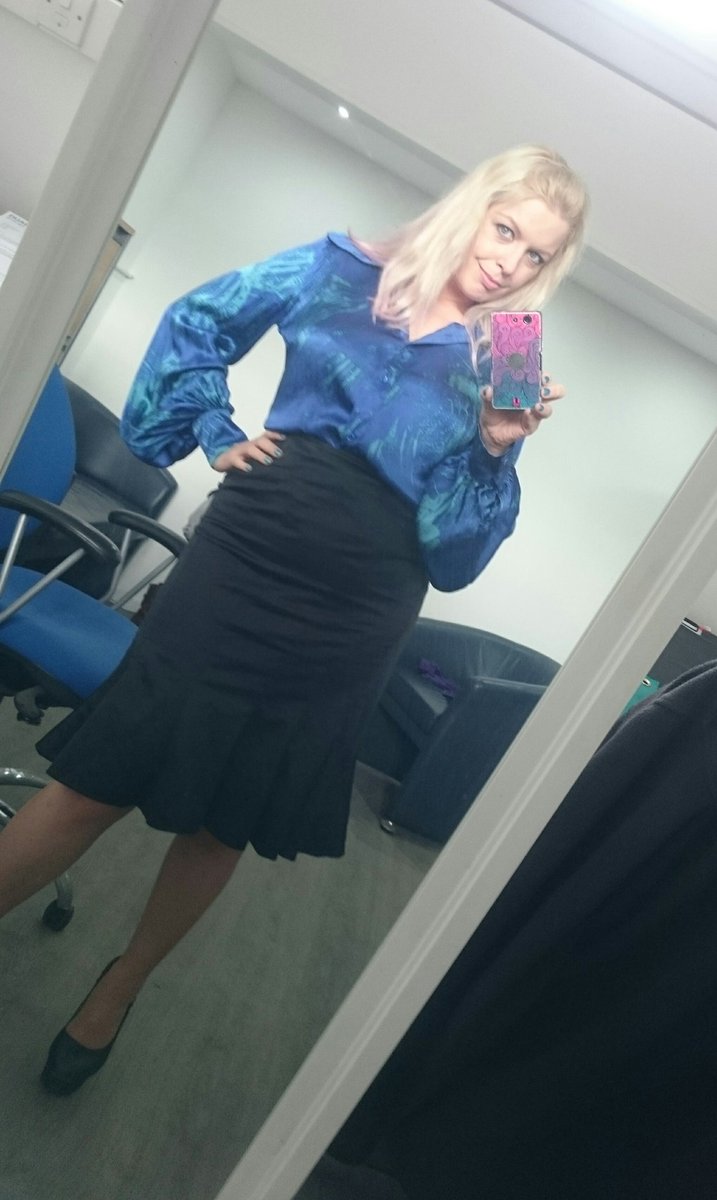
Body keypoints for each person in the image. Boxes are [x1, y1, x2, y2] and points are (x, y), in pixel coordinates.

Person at [0, 144, 588, 1095]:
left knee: (225, 821)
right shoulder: (338, 269)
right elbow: (197, 322)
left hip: (363, 607)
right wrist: (215, 432)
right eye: (506, 229)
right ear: (473, 208)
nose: (509, 263)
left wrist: (492, 448)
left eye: (535, 256)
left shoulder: (502, 362)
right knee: (94, 781)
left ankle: (122, 984)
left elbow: (455, 557)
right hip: (248, 556)